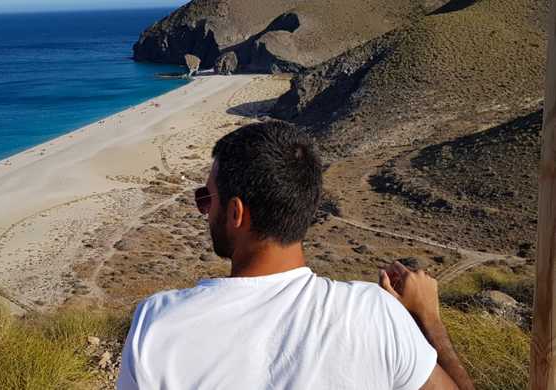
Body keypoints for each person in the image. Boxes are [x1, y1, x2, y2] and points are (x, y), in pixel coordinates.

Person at [116, 121, 474, 390]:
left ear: (236, 213)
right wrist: (428, 320)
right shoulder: (375, 314)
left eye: (206, 197)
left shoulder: (159, 325)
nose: (205, 210)